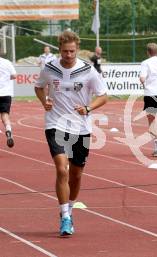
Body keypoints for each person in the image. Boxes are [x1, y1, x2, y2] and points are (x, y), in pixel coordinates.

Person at [34, 30, 108, 236]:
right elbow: (39, 87)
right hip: (55, 124)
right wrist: (44, 101)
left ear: (77, 49)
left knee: (76, 175)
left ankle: (71, 208)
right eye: (65, 51)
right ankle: (64, 216)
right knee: (62, 170)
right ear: (60, 50)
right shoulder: (49, 68)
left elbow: (103, 96)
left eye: (72, 51)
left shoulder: (88, 70)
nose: (69, 55)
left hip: (81, 128)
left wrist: (89, 108)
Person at [0, 56, 17, 148]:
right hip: (6, 93)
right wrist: (6, 77)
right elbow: (14, 75)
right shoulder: (7, 62)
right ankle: (8, 130)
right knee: (5, 115)